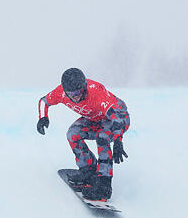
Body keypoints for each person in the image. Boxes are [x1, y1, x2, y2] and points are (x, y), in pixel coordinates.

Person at [37, 68, 131, 201]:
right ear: (65, 92)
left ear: (84, 87)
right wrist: (43, 117)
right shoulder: (61, 93)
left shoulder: (97, 93)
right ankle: (88, 170)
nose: (76, 96)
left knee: (102, 137)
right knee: (73, 134)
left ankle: (104, 184)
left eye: (79, 92)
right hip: (95, 119)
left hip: (118, 118)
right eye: (72, 93)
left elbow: (117, 119)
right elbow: (43, 101)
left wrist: (118, 141)